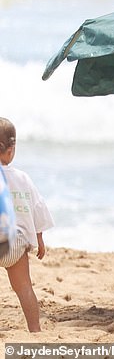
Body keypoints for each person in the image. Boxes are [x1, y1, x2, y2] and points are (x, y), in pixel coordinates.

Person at [0, 117, 54, 332]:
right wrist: (39, 239)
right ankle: (35, 329)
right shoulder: (23, 178)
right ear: (11, 151)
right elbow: (37, 209)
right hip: (17, 242)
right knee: (24, 288)